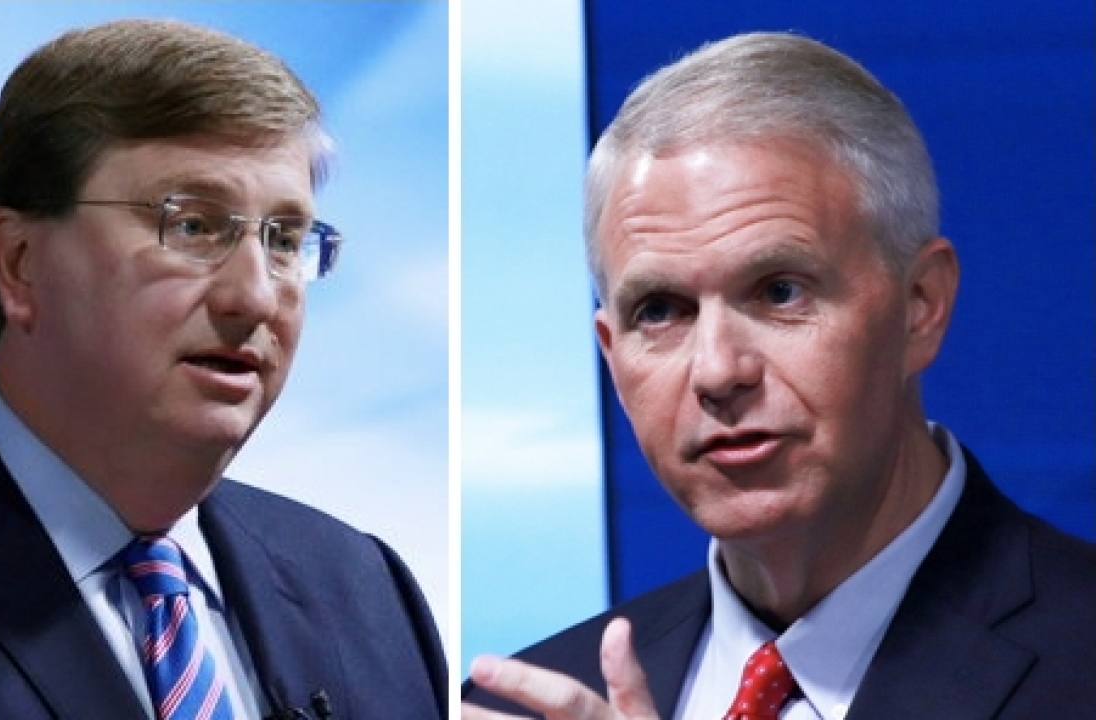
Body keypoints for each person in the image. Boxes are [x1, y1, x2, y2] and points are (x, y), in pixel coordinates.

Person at [0, 19, 445, 720]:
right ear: (19, 263)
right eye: (194, 226)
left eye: (285, 239)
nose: (256, 295)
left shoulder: (365, 591)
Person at [463, 31, 1094, 720]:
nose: (717, 371)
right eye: (661, 310)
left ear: (921, 307)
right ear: (611, 356)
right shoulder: (526, 702)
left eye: (780, 291)